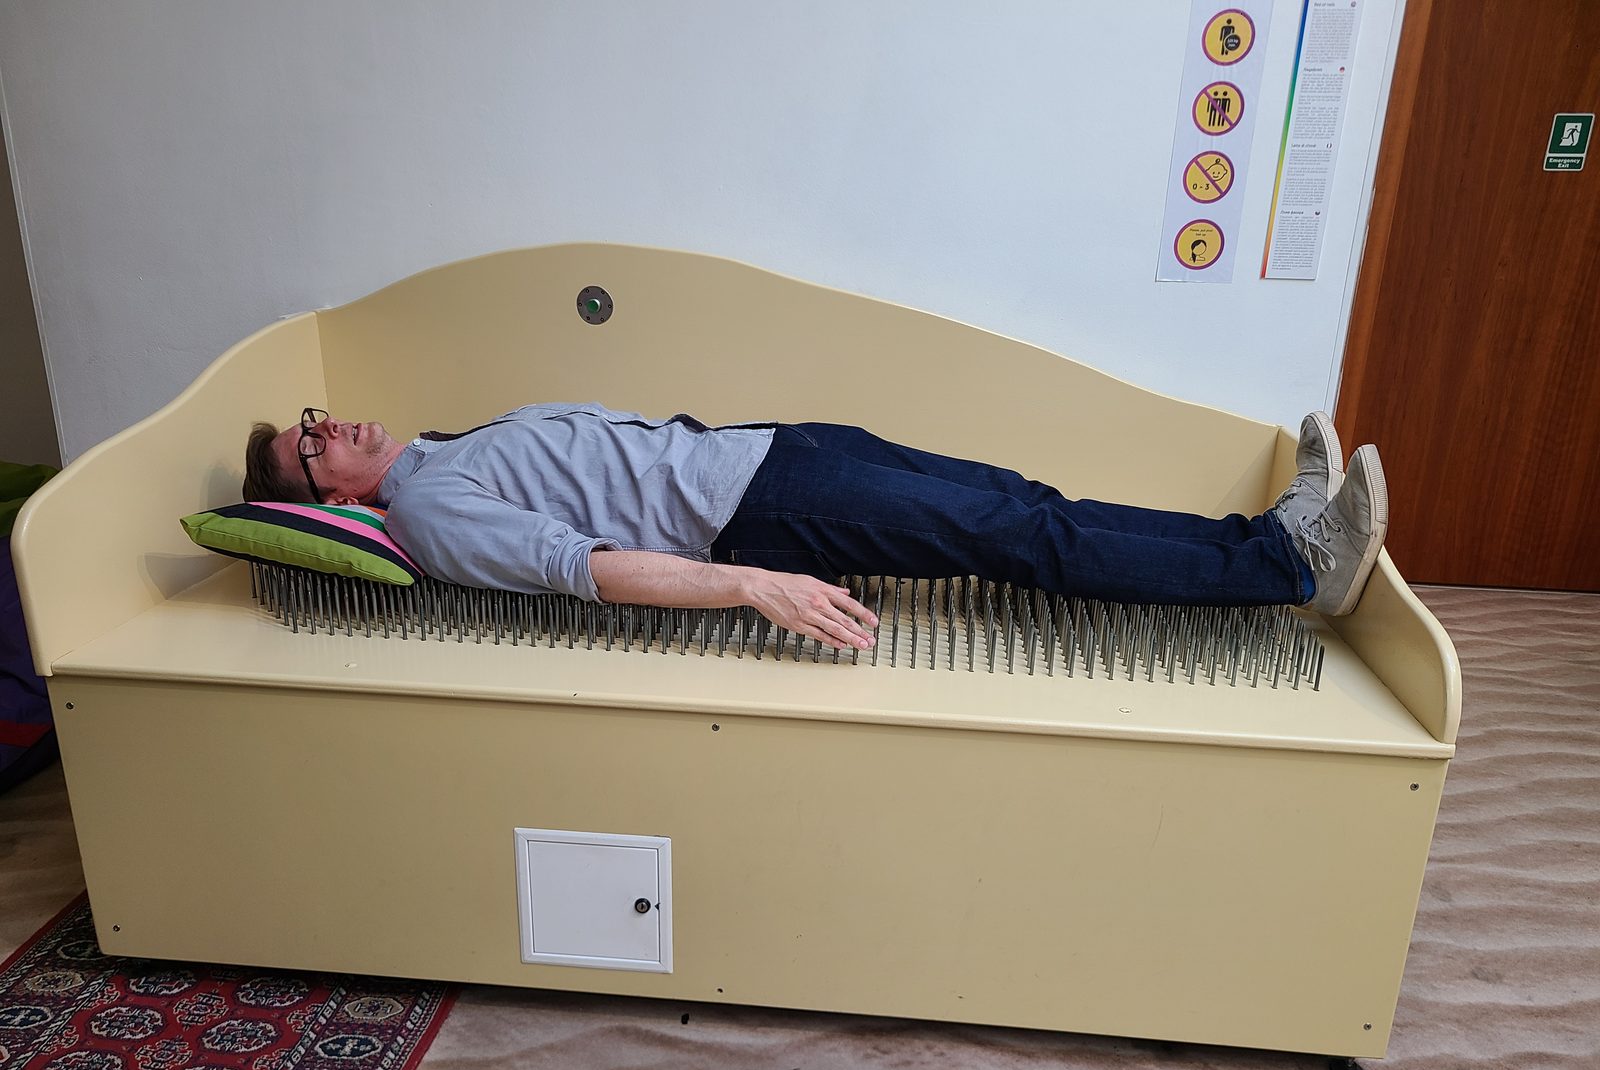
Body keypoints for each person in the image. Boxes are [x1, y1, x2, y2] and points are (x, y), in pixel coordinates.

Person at [241, 404, 1387, 652]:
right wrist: (752, 587)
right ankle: (1290, 571)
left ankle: (1258, 535)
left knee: (1028, 504)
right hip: (757, 510)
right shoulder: (432, 511)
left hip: (769, 452)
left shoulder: (441, 449)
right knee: (1021, 541)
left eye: (312, 418)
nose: (329, 424)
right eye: (312, 444)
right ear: (327, 498)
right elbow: (582, 570)